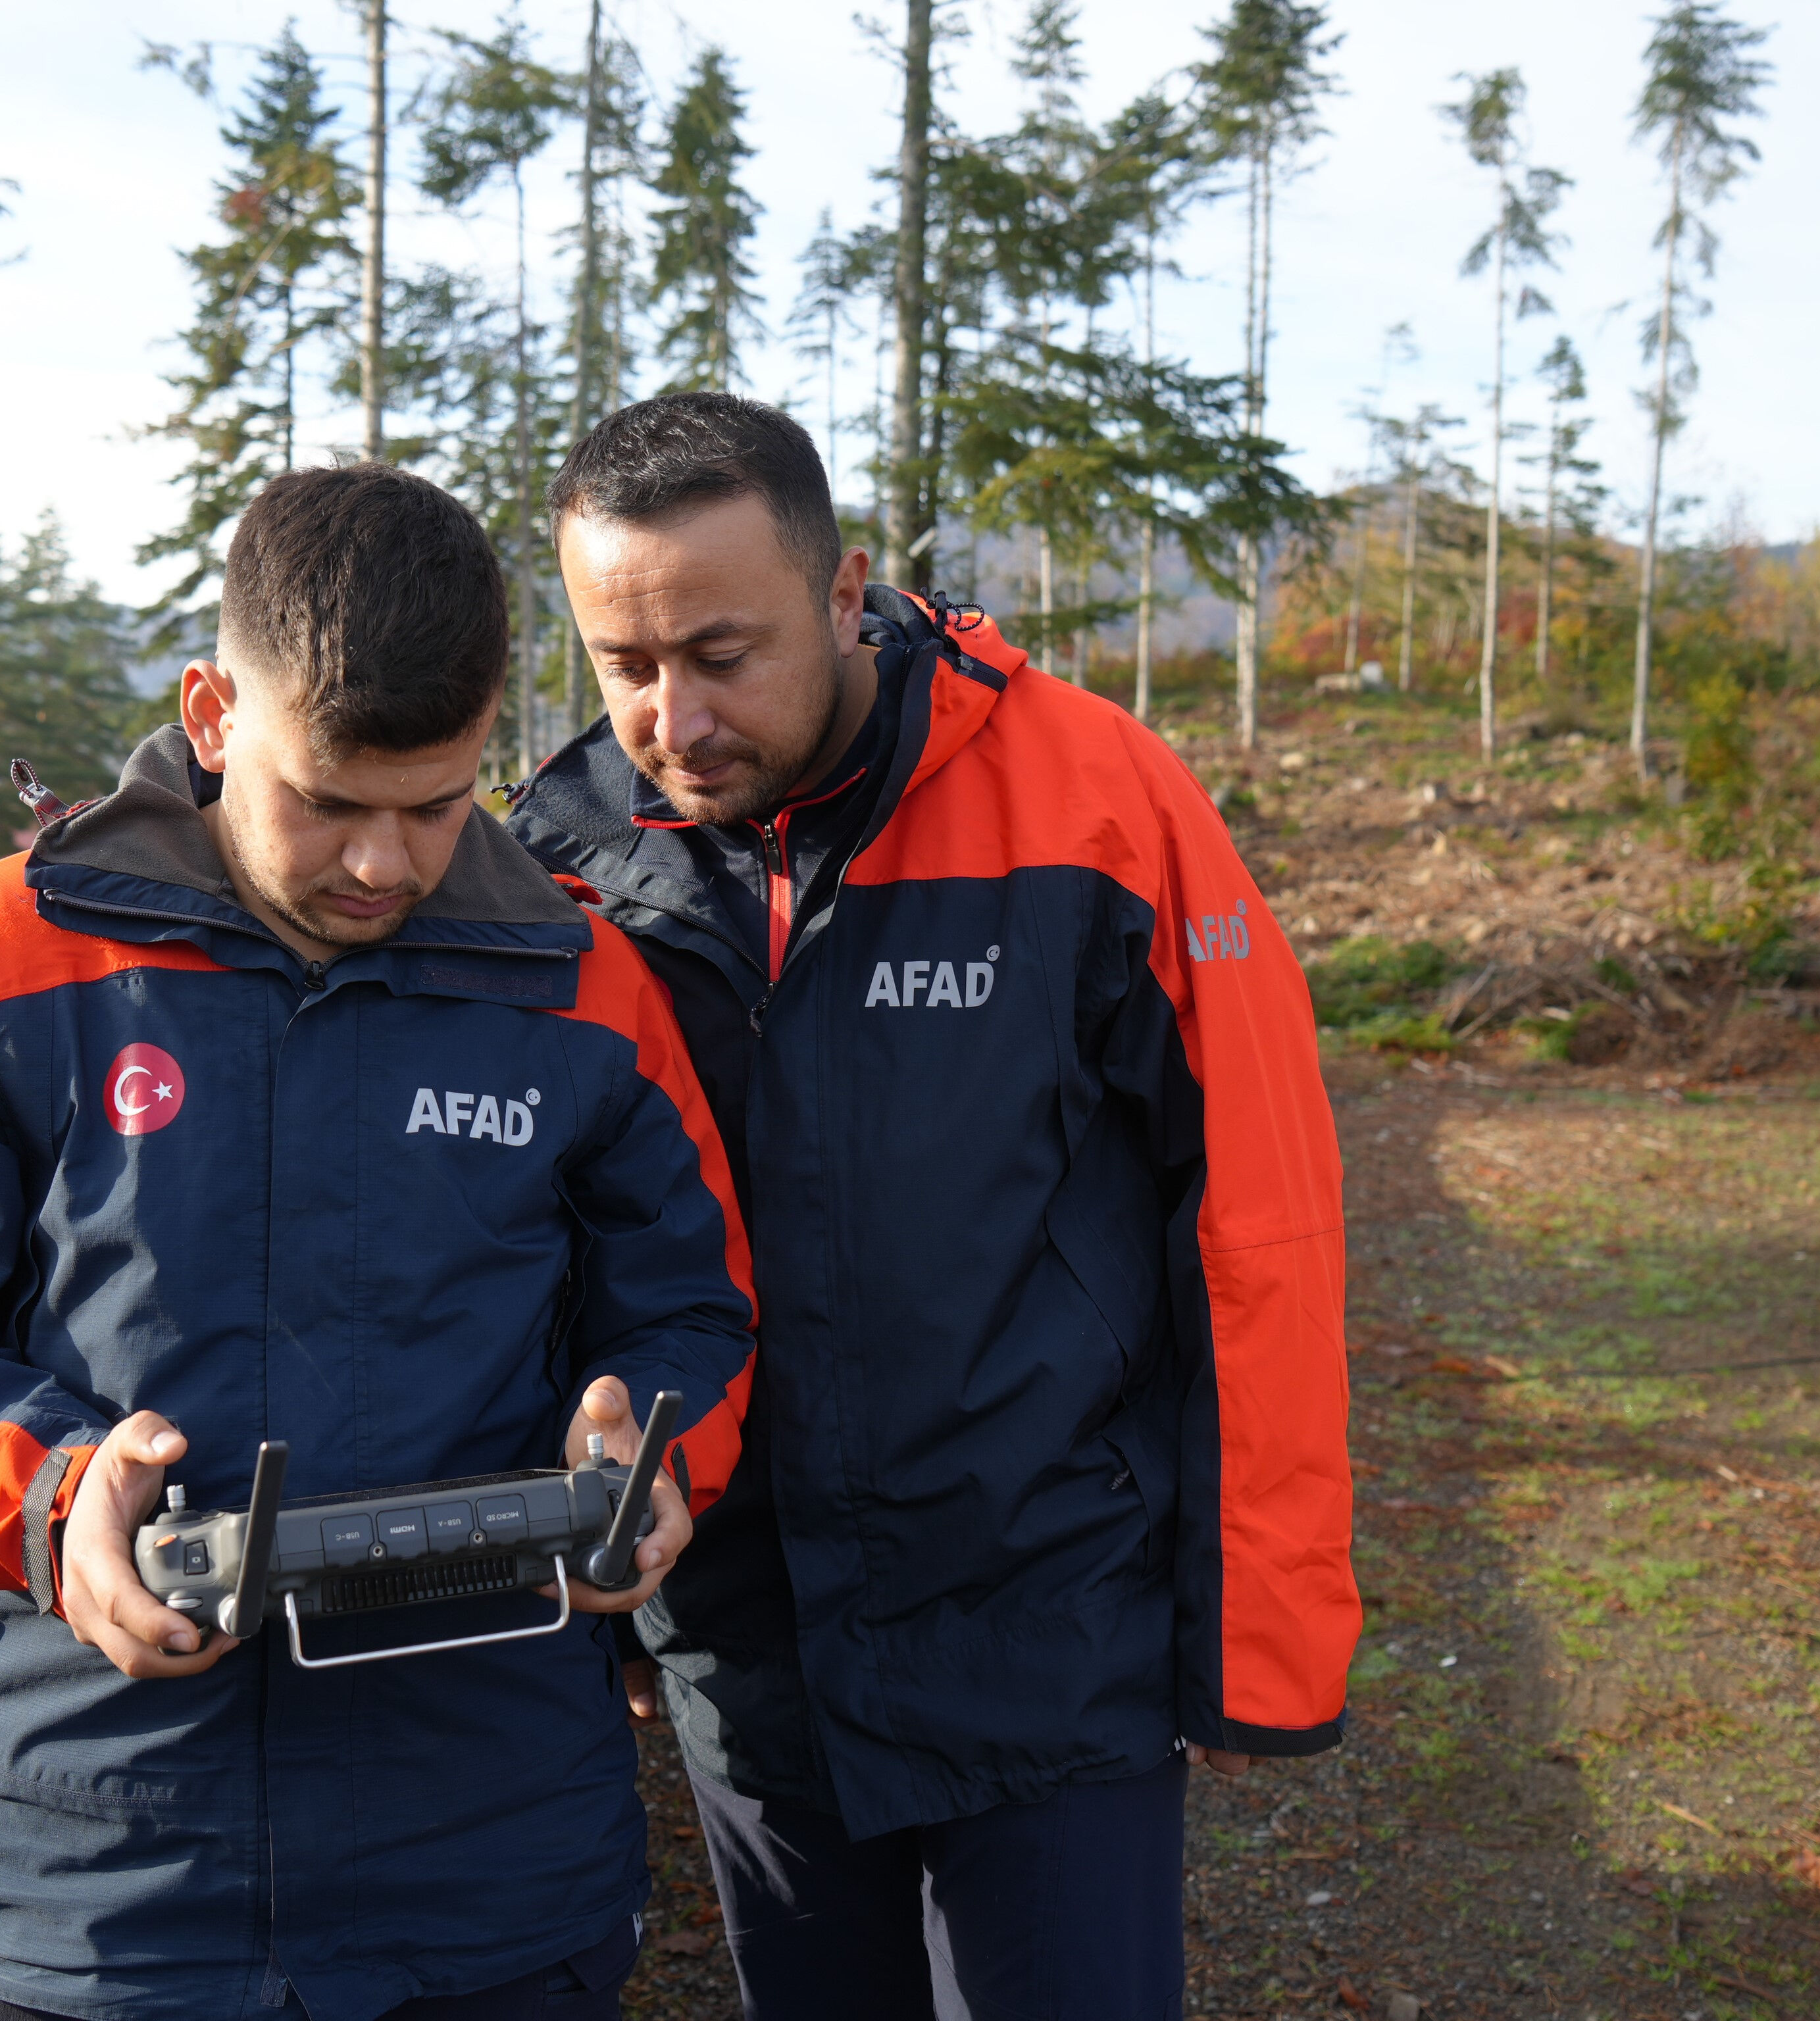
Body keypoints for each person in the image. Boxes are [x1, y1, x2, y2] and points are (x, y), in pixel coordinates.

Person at [0, 464, 758, 2021]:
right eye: (329, 803)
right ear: (213, 717)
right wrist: (47, 1497)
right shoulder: (9, 956)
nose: (383, 865)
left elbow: (694, 1313)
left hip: (485, 1873)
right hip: (79, 1883)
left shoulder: (580, 988)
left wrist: (659, 1450)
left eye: (435, 804)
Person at [506, 394, 1357, 2021]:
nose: (671, 718)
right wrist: (589, 1605)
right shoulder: (563, 867)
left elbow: (1256, 1218)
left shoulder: (1094, 801)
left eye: (719, 650)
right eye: (622, 665)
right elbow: (538, 1250)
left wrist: (1253, 1627)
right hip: (746, 1654)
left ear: (846, 597)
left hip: (1048, 1631)